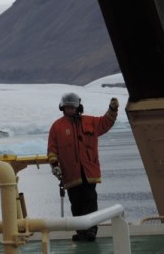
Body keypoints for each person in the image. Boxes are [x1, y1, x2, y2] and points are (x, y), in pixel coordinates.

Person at [47, 92, 119, 242]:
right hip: (71, 175)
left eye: (72, 107)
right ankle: (81, 232)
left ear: (77, 107)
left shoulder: (90, 122)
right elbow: (52, 149)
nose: (69, 110)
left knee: (90, 200)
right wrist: (54, 165)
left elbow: (106, 122)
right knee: (76, 204)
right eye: (66, 108)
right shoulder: (57, 127)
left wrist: (112, 109)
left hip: (89, 172)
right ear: (62, 108)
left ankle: (91, 230)